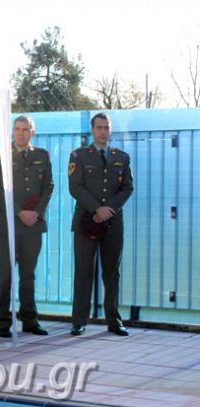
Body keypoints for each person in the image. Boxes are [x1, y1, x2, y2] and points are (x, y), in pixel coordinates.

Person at [68, 112, 134, 336]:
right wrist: (97, 209)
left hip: (113, 223)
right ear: (92, 130)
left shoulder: (121, 157)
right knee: (83, 271)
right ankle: (79, 321)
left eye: (106, 127)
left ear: (110, 130)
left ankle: (114, 321)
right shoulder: (78, 156)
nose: (103, 131)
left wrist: (108, 210)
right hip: (85, 222)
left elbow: (128, 187)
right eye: (99, 127)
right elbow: (75, 187)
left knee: (112, 273)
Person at [0, 115, 53, 338]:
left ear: (32, 132)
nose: (21, 133)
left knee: (28, 275)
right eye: (17, 128)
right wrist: (19, 212)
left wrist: (37, 213)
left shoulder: (42, 155)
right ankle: (2, 321)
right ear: (12, 131)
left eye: (25, 129)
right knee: (4, 275)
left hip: (33, 224)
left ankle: (29, 320)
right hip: (7, 224)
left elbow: (48, 186)